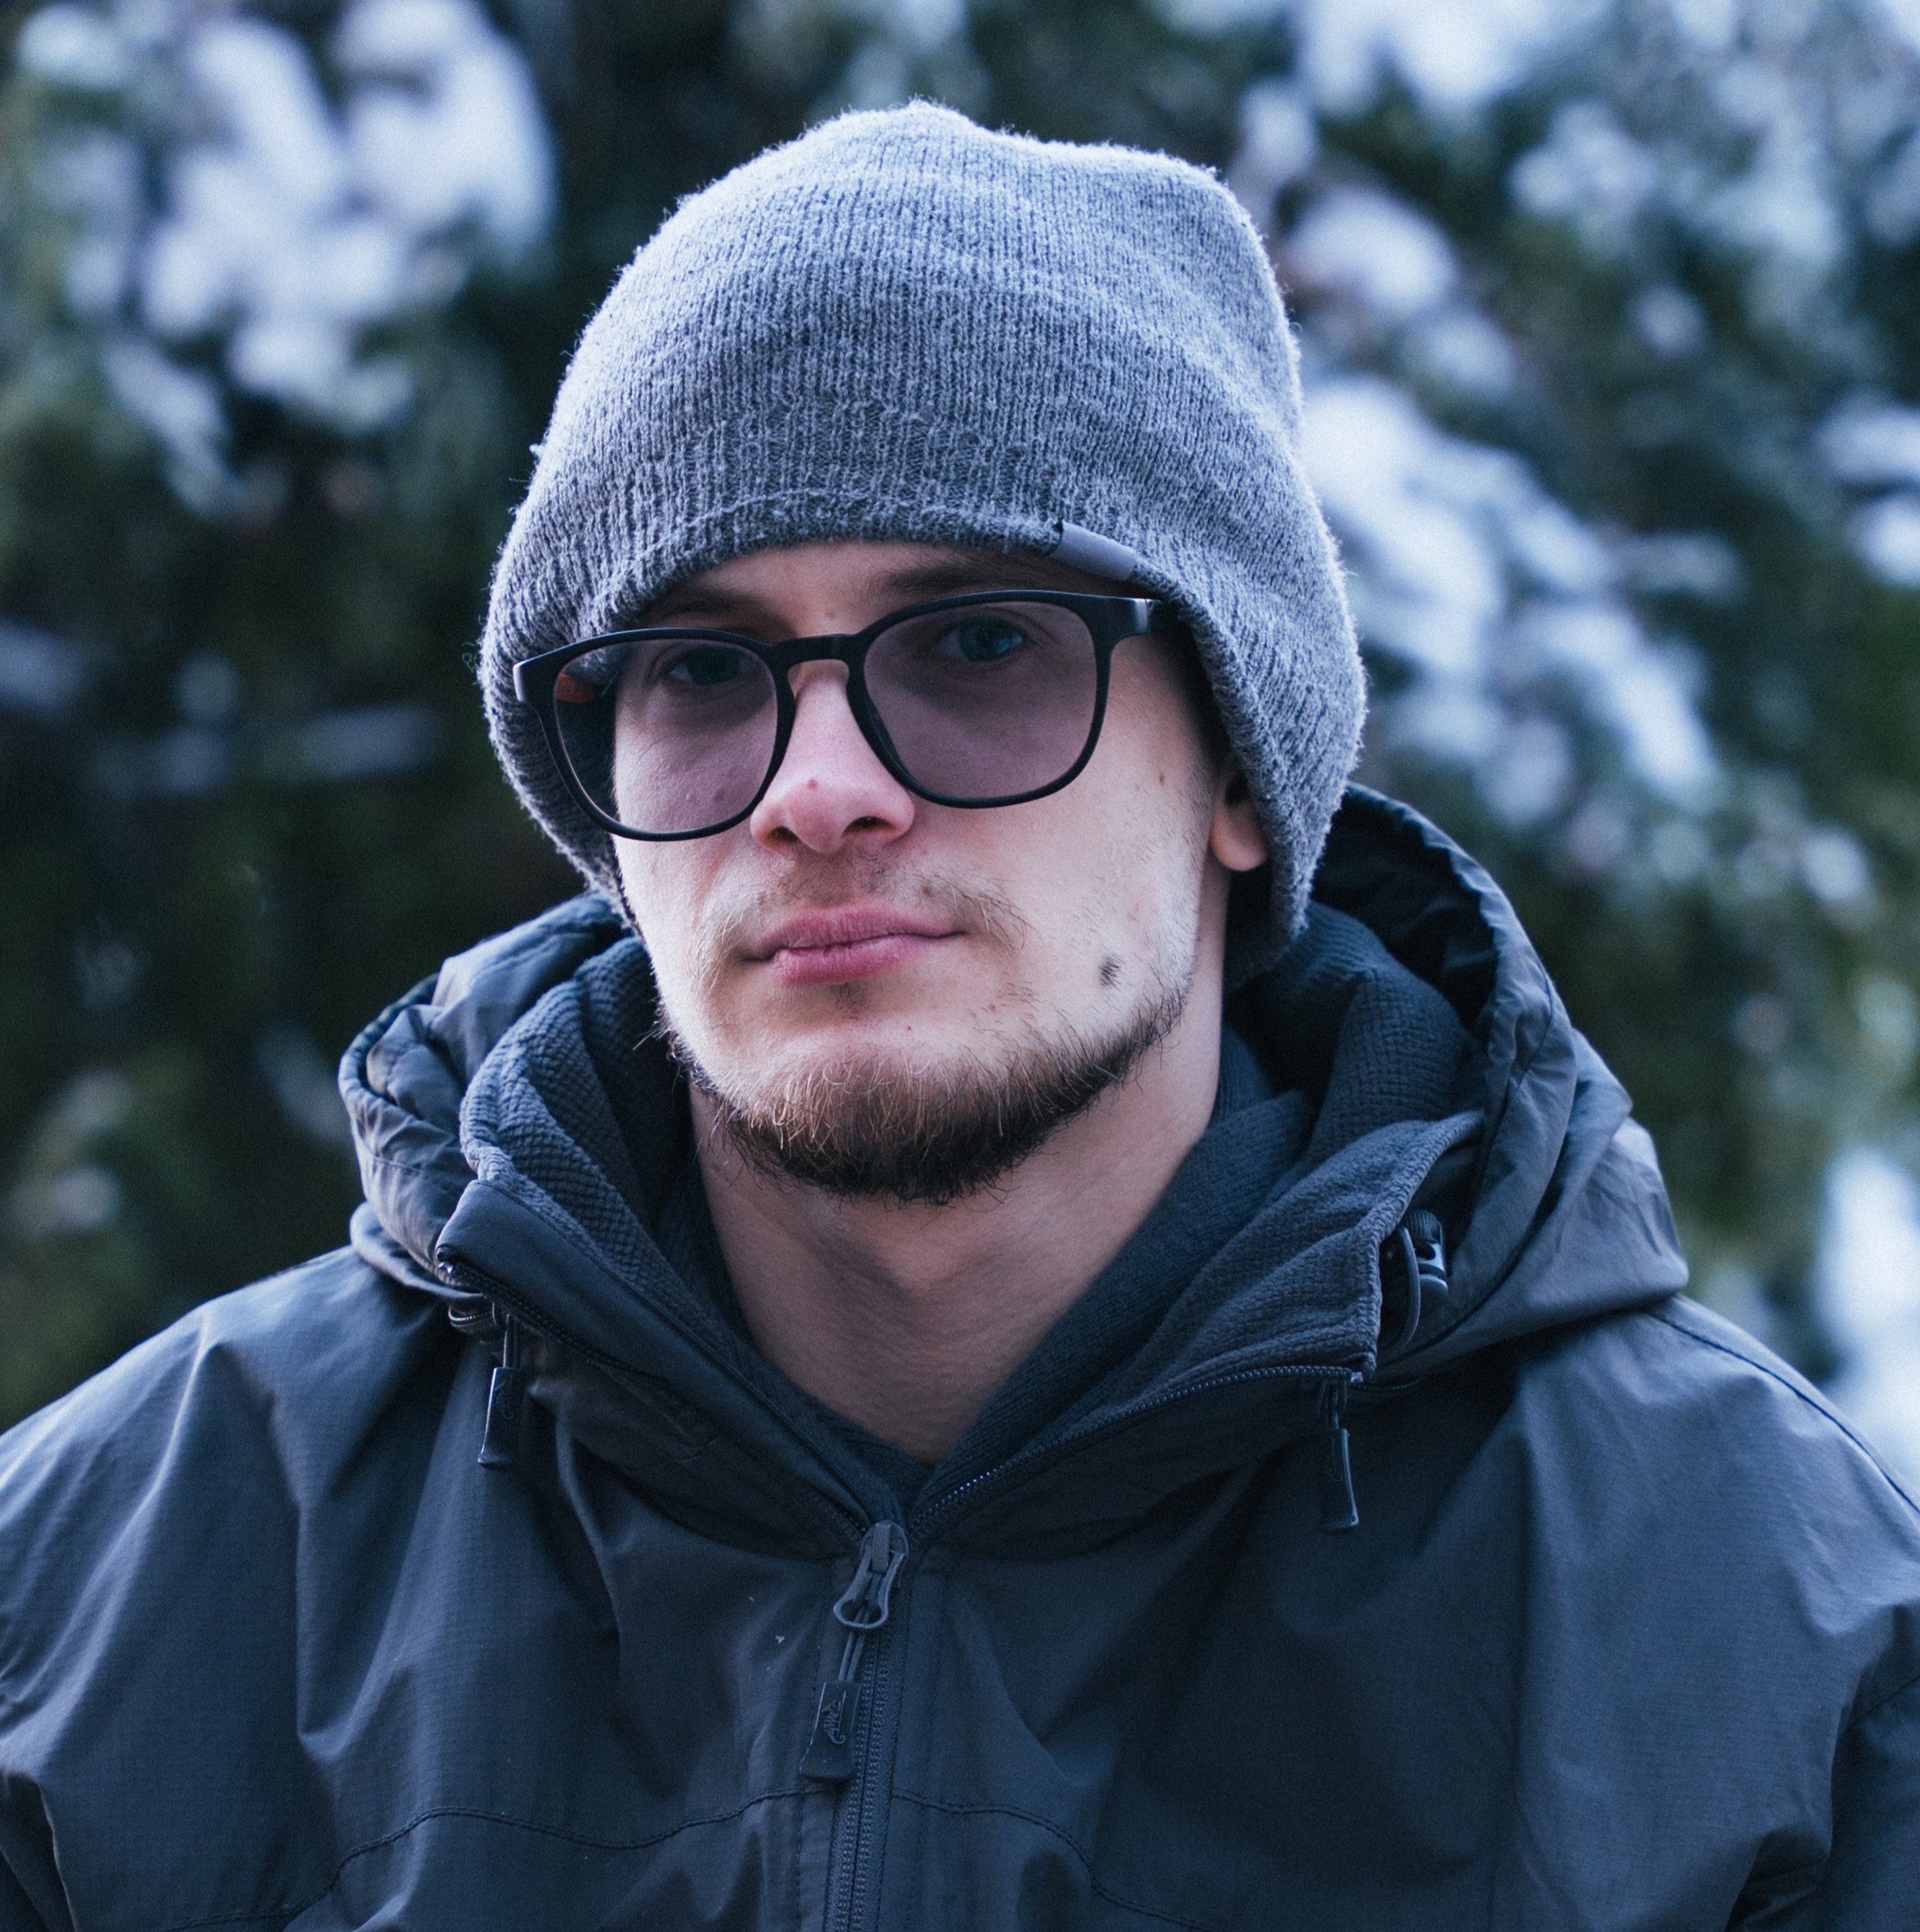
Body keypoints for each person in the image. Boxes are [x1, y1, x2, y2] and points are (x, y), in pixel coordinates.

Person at [2, 103, 1916, 1932]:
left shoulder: (1773, 1652)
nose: (817, 787)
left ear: (1241, 771)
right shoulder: (108, 1605)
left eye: (981, 642)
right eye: (701, 669)